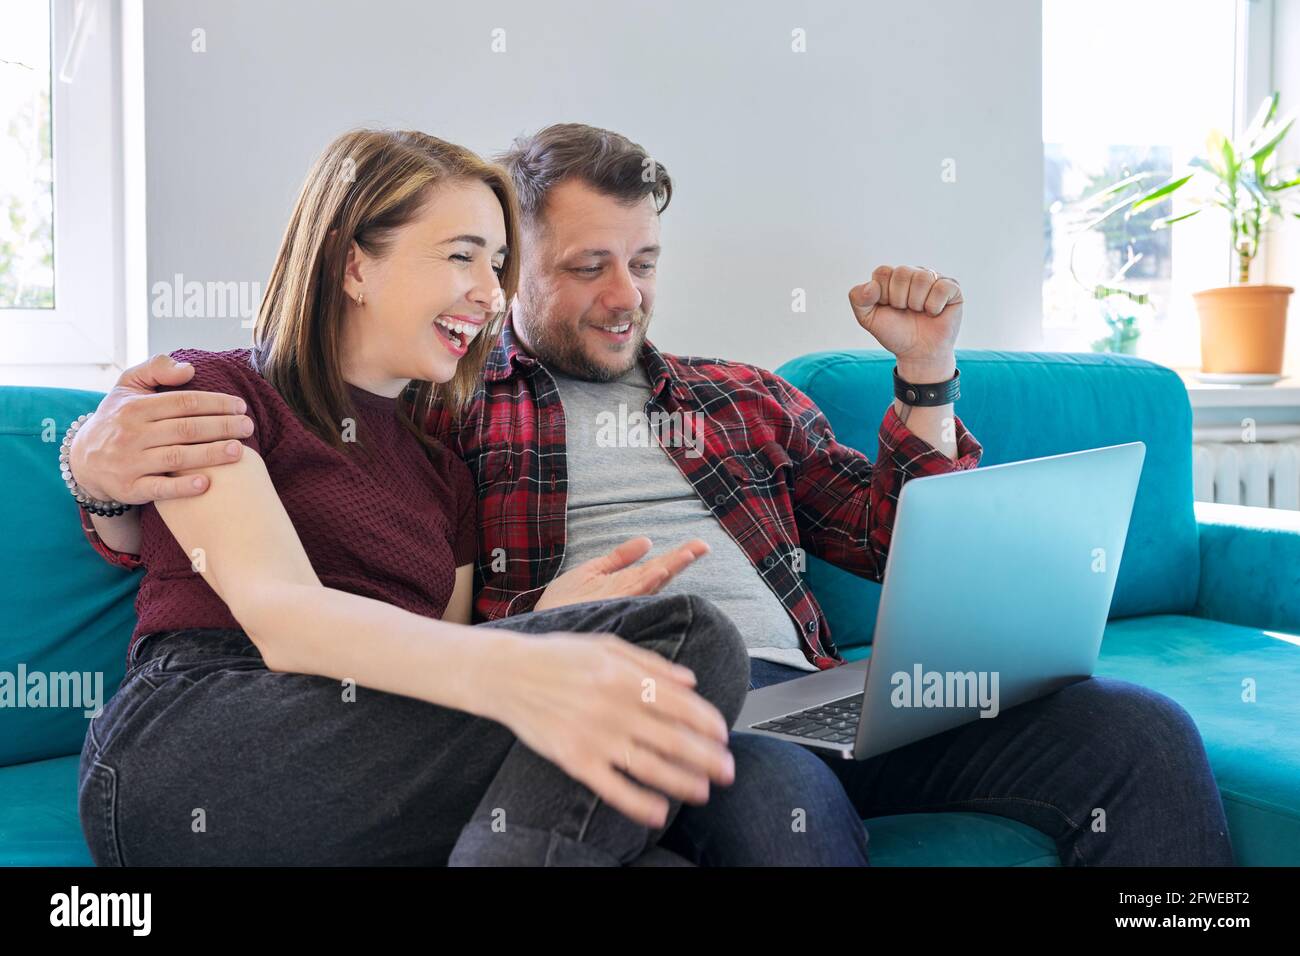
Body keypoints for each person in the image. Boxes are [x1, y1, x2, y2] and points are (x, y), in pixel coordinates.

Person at [71, 123, 1233, 866]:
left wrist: (924, 377)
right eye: (581, 266)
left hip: (815, 688)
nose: (623, 293)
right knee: (704, 700)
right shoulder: (461, 414)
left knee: (1134, 730)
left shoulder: (741, 398)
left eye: (643, 262)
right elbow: (232, 541)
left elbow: (900, 541)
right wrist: (90, 460)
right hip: (653, 701)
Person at [70, 127, 850, 867]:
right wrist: (521, 662)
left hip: (372, 742)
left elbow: (433, 666)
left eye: (499, 263)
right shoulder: (219, 390)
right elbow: (285, 619)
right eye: (462, 257)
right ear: (353, 266)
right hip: (206, 733)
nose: (489, 294)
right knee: (685, 637)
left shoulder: (442, 464)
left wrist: (546, 626)